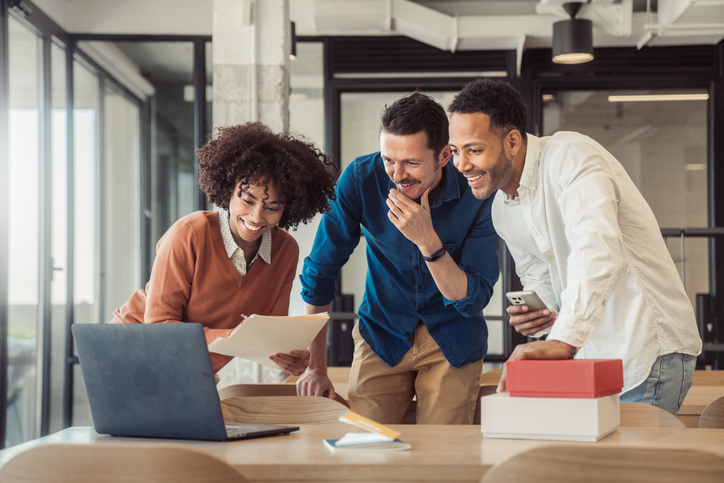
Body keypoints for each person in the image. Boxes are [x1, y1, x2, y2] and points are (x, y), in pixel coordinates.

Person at [447, 79, 702, 415]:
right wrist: (539, 313)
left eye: (474, 150)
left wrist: (562, 340)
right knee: (593, 466)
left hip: (646, 345)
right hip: (591, 357)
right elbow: (538, 276)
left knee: (629, 468)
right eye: (455, 151)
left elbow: (596, 248)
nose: (461, 164)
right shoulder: (501, 209)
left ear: (511, 141)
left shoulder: (570, 156)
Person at [297, 92, 500, 424]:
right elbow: (320, 273)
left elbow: (472, 297)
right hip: (382, 331)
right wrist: (315, 366)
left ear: (445, 155)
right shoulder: (362, 178)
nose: (397, 173)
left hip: (453, 336)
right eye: (388, 159)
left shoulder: (476, 192)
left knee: (442, 459)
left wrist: (428, 241)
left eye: (412, 163)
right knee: (365, 452)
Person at [111, 122, 337, 376]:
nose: (256, 216)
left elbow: (269, 336)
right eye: (247, 200)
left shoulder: (285, 251)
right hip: (133, 350)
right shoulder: (189, 233)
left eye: (272, 207)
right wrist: (233, 337)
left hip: (192, 365)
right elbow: (160, 325)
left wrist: (292, 358)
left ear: (289, 208)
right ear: (229, 189)